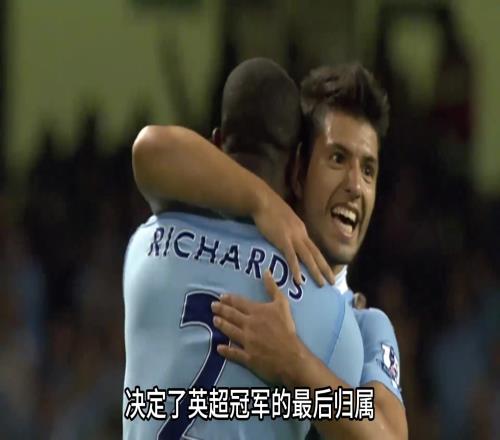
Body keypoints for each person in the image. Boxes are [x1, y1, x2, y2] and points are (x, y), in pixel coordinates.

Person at [134, 62, 408, 439]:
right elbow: (151, 151)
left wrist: (294, 362)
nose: (355, 186)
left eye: (368, 171)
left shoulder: (365, 325)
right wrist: (262, 200)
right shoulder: (227, 254)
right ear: (298, 168)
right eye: (338, 158)